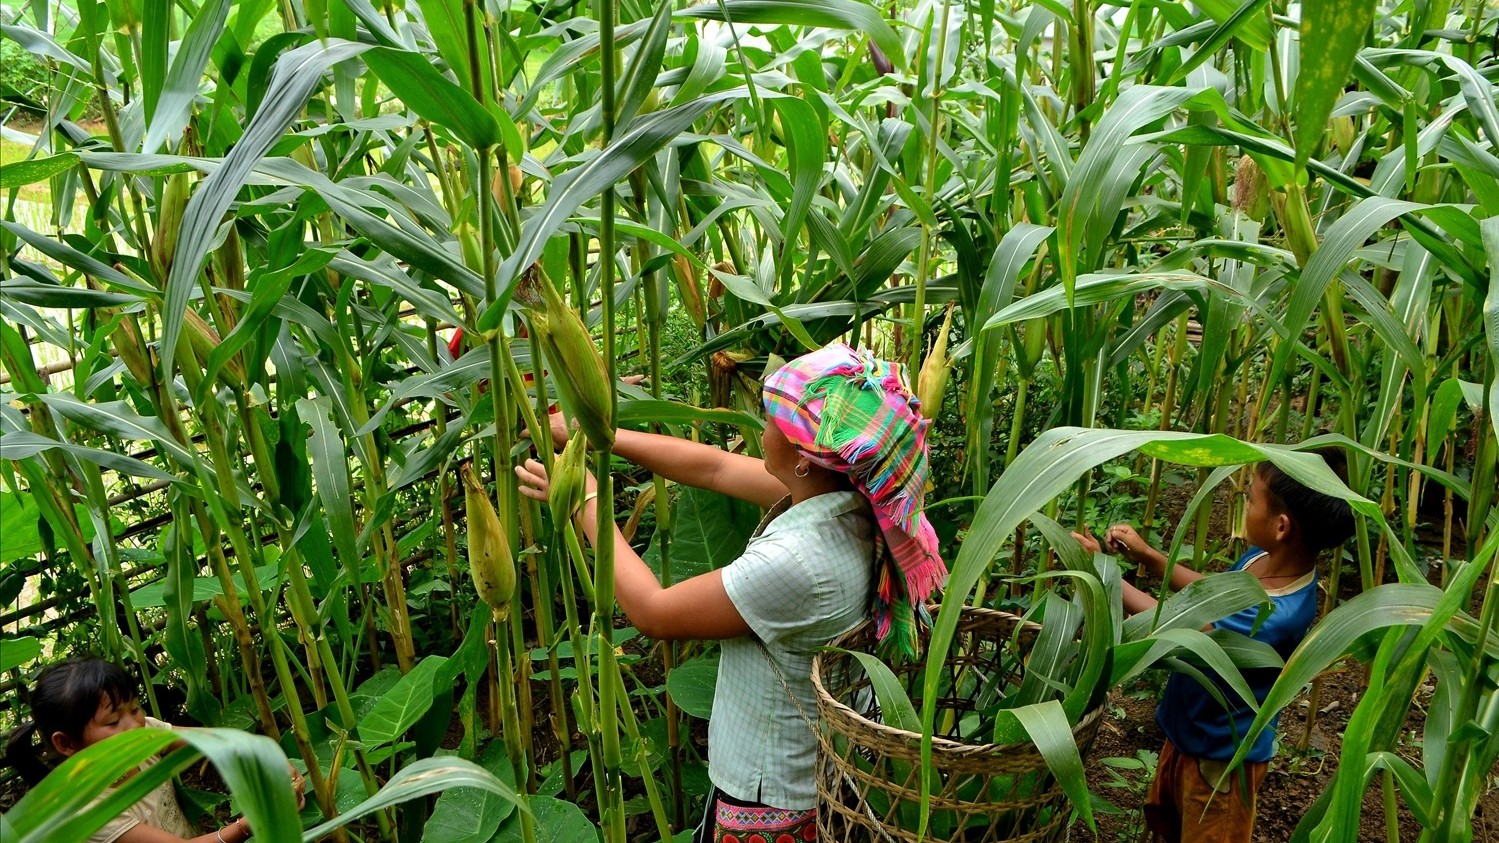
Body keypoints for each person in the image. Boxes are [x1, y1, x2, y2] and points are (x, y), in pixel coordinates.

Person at [515, 341, 947, 843]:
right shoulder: (854, 499)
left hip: (774, 800)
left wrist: (582, 495)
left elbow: (654, 613)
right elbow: (714, 467)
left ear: (806, 458)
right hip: (821, 769)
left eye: (772, 420)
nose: (761, 427)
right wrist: (600, 437)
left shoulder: (799, 563)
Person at [1073, 449, 1355, 843]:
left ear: (1281, 526)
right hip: (1191, 733)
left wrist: (1105, 575)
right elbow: (1210, 595)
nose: (1243, 502)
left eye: (1251, 499)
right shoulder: (1265, 559)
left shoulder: (1271, 616)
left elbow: (1176, 625)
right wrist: (1151, 558)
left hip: (1221, 764)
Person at [4, 657, 305, 843]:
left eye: (134, 709)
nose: (134, 724)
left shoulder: (140, 734)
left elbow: (218, 742)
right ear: (66, 744)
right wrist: (250, 824)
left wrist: (266, 760)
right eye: (112, 721)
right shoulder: (88, 810)